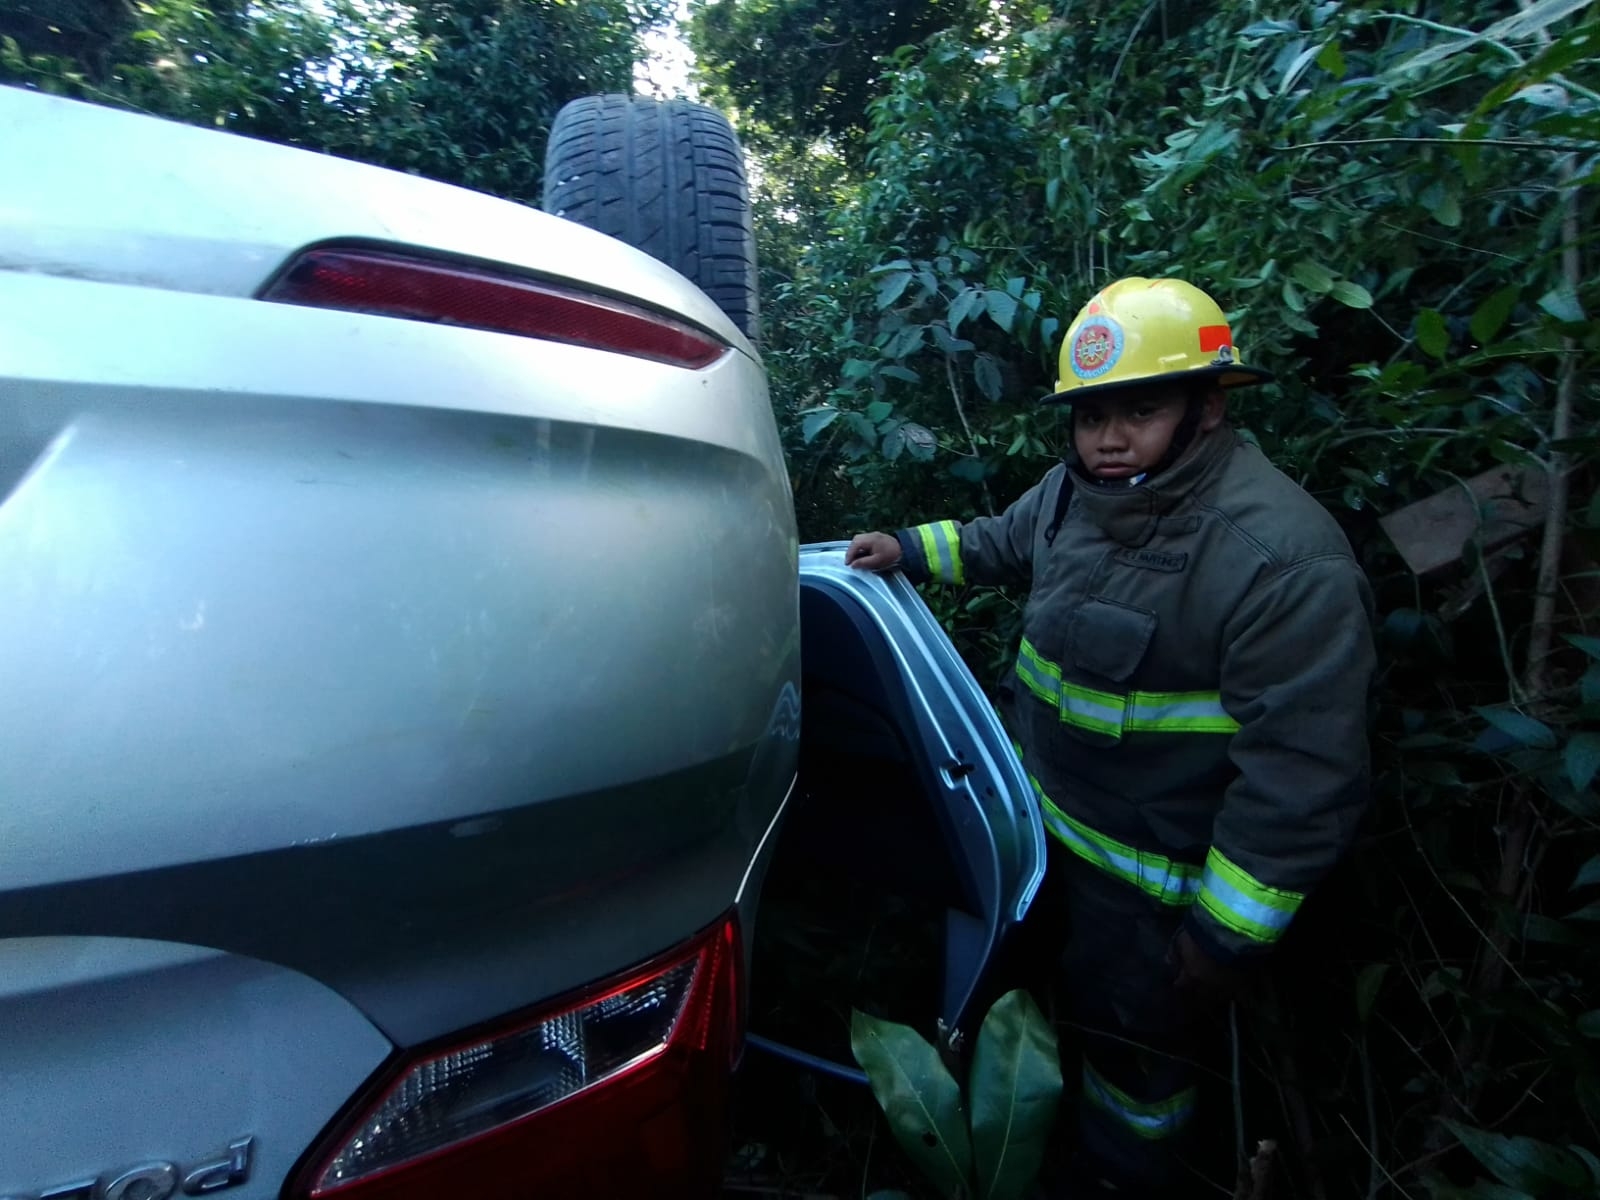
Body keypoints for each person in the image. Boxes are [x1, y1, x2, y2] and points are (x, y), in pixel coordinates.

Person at [847, 277, 1375, 1197]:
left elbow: (1301, 779)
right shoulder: (1069, 495)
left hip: (1154, 906)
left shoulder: (1280, 562)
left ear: (1207, 408)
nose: (1111, 437)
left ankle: (1127, 1182)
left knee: (1140, 1079)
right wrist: (904, 548)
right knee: (1061, 1025)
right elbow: (994, 543)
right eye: (1092, 415)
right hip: (1042, 850)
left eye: (1142, 408)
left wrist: (1222, 940)